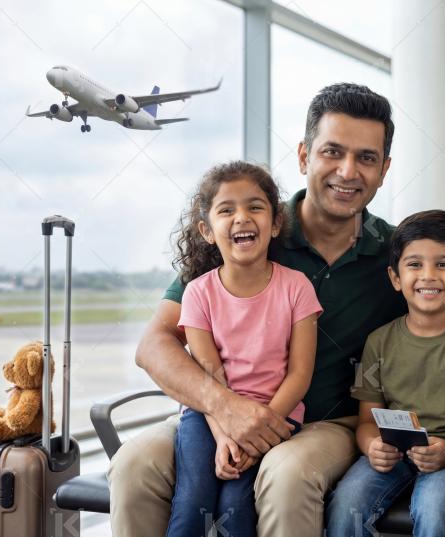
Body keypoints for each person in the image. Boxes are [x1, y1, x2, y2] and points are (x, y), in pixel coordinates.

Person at [108, 83, 408, 537]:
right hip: (215, 413)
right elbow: (153, 345)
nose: (348, 171)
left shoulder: (397, 254)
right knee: (133, 466)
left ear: (384, 170)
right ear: (305, 156)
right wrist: (225, 409)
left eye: (366, 157)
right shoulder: (248, 230)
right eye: (333, 152)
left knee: (286, 476)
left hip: (326, 423)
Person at [326, 210, 445, 536]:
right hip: (394, 454)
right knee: (348, 501)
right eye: (414, 265)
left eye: (443, 264)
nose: (428, 275)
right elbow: (367, 422)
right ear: (396, 278)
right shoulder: (379, 342)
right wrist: (372, 446)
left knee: (436, 506)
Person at [165, 162, 322, 536]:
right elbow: (208, 378)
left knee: (235, 507)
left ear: (276, 222)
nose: (241, 217)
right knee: (192, 503)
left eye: (255, 207)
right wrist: (225, 437)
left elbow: (300, 374)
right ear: (206, 230)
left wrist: (259, 432)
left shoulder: (297, 287)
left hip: (276, 414)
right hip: (208, 417)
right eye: (226, 209)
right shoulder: (198, 293)